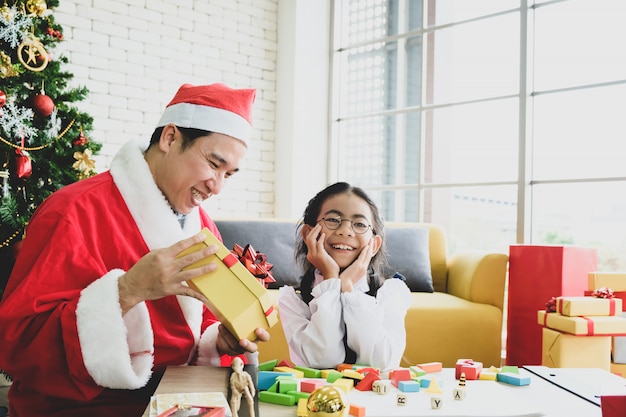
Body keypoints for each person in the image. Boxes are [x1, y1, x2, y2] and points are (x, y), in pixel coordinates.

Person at [0, 83, 269, 416]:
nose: (218, 187)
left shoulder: (201, 225)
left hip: (174, 399)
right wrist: (127, 291)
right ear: (170, 138)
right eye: (214, 164)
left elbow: (201, 324)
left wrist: (217, 341)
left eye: (229, 174)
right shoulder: (72, 211)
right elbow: (19, 345)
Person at [277, 182, 411, 372]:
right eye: (333, 220)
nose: (345, 231)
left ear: (374, 245)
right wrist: (332, 281)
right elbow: (323, 361)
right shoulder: (293, 300)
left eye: (359, 224)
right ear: (308, 233)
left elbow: (381, 364)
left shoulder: (391, 294)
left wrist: (347, 288)